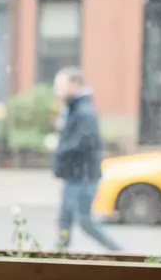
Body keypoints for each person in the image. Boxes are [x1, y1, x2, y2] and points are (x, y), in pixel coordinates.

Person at [51, 67, 121, 252]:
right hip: (78, 174)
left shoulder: (83, 111)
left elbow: (83, 143)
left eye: (60, 86)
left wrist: (59, 147)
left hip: (81, 176)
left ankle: (120, 253)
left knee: (76, 219)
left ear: (74, 85)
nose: (56, 91)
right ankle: (58, 256)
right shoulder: (75, 109)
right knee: (77, 220)